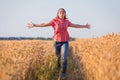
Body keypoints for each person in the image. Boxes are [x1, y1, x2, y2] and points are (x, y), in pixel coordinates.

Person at [27, 8, 90, 80]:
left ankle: (63, 73)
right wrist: (35, 25)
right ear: (58, 14)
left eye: (63, 12)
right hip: (56, 42)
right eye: (60, 12)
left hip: (65, 42)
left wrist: (84, 26)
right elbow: (44, 24)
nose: (62, 13)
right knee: (57, 58)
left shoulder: (67, 21)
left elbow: (75, 25)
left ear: (65, 14)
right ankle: (57, 70)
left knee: (64, 58)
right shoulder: (54, 21)